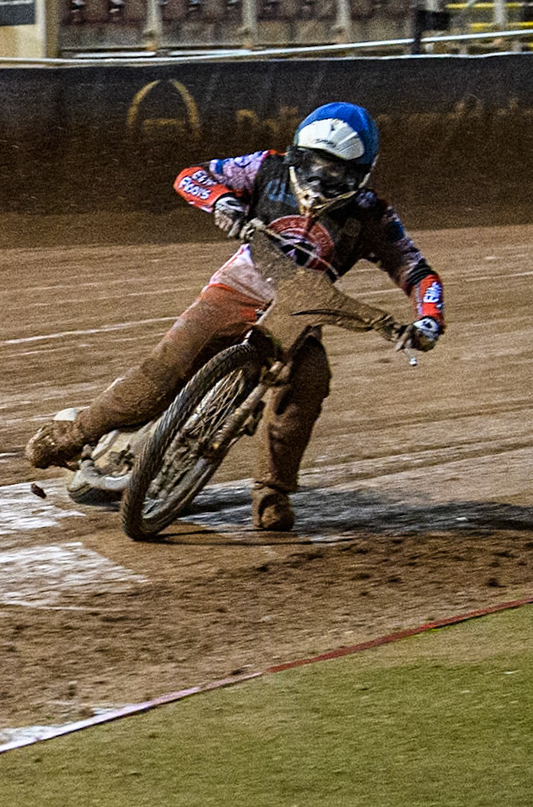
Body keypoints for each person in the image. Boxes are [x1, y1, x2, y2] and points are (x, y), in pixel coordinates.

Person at [25, 103, 444, 532]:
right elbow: (191, 175)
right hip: (235, 290)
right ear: (295, 155)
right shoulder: (265, 166)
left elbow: (416, 271)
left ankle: (272, 492)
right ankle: (73, 436)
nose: (319, 179)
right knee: (164, 368)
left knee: (309, 382)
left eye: (335, 172)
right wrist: (222, 202)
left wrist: (428, 319)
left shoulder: (373, 214)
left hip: (300, 313)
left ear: (359, 174)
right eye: (312, 164)